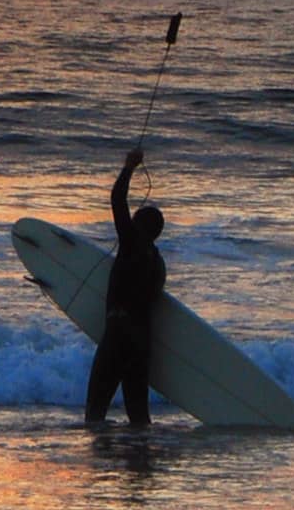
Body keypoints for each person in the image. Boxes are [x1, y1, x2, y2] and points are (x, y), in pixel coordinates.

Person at [85, 146, 166, 426]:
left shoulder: (132, 243)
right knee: (139, 417)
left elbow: (117, 199)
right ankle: (140, 463)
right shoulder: (158, 263)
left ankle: (103, 465)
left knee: (95, 412)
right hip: (142, 342)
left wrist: (129, 166)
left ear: (138, 226)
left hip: (118, 335)